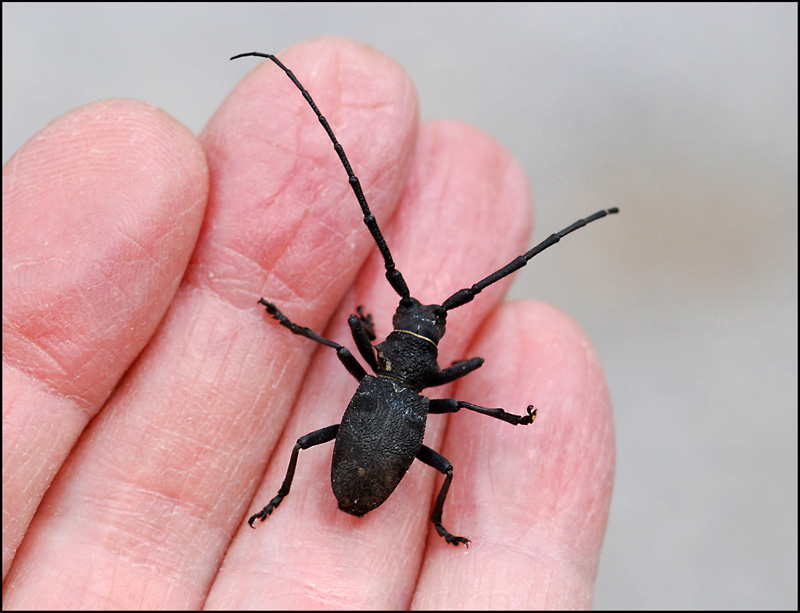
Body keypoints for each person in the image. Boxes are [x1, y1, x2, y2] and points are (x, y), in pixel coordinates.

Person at [2, 37, 614, 609]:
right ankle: (406, 515)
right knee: (435, 463)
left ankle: (323, 501)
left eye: (416, 317)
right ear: (431, 348)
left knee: (316, 439)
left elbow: (355, 343)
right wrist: (501, 412)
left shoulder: (373, 369)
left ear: (403, 335)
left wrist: (363, 336)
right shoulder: (425, 392)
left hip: (368, 454)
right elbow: (465, 368)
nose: (422, 315)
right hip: (374, 452)